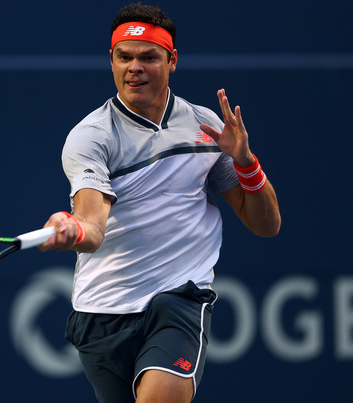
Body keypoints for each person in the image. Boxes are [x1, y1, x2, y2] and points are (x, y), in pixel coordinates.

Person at [38, 3, 281, 403]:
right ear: (111, 61)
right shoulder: (90, 137)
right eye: (124, 57)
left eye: (149, 57)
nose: (135, 67)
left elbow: (266, 225)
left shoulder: (208, 129)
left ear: (171, 61)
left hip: (179, 299)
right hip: (102, 310)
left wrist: (246, 163)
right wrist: (75, 229)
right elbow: (93, 224)